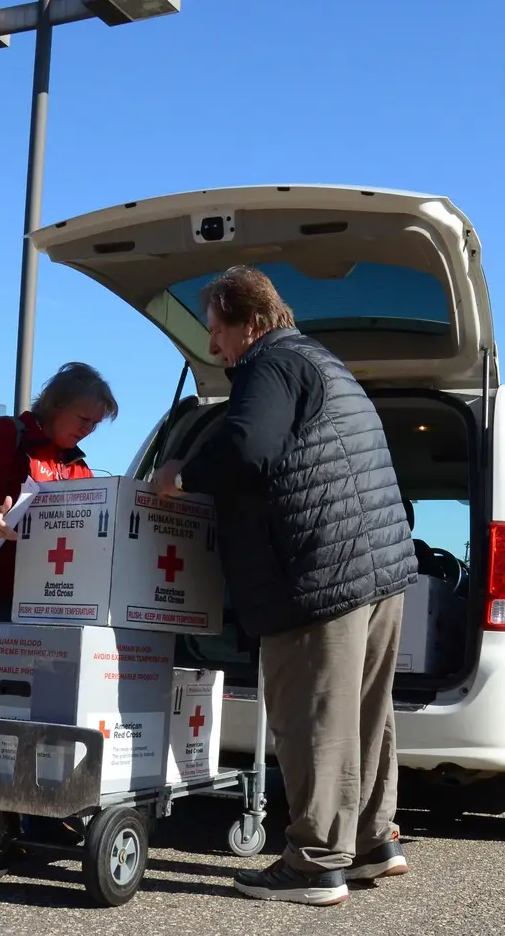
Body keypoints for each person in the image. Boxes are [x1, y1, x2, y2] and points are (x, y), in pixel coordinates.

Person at [154, 265, 418, 907]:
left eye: (217, 331)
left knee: (313, 717)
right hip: (378, 567)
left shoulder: (269, 364)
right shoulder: (323, 363)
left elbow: (249, 449)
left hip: (317, 572)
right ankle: (371, 842)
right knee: (364, 711)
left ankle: (316, 864)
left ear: (251, 323)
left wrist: (182, 477)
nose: (214, 346)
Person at [0, 361, 118, 655]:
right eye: (83, 418)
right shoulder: (4, 435)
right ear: (56, 405)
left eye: (95, 423)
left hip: (51, 607)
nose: (88, 429)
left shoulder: (79, 467)